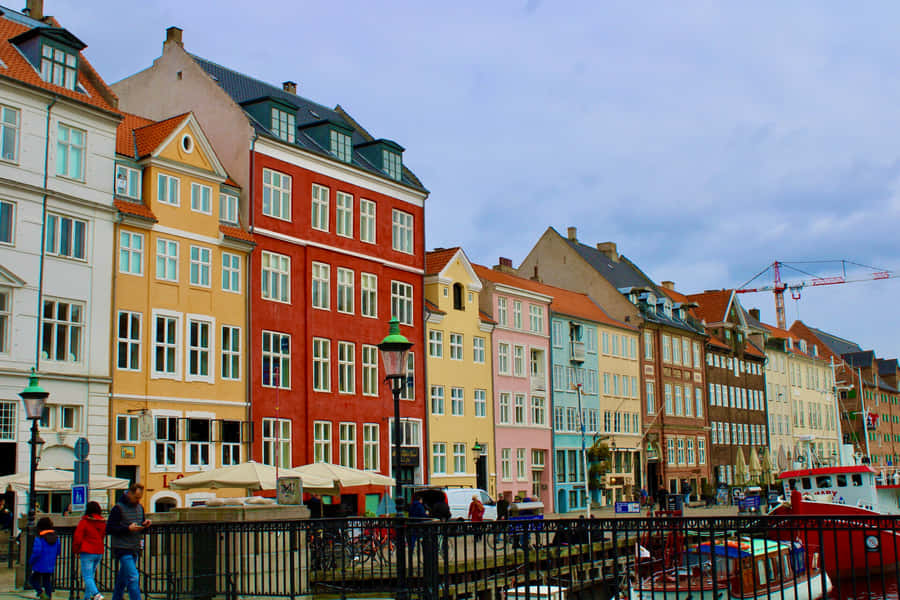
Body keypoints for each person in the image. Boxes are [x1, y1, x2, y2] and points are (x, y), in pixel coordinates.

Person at [106, 483, 150, 600]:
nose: (138, 500)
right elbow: (110, 528)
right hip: (122, 547)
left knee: (123, 577)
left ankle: (116, 598)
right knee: (133, 577)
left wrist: (145, 525)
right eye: (136, 497)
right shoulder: (118, 508)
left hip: (134, 547)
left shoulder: (140, 508)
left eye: (140, 497)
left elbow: (141, 523)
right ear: (129, 494)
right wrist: (127, 528)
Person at [74, 502, 105, 600]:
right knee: (91, 576)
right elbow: (103, 535)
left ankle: (96, 594)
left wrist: (76, 550)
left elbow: (77, 537)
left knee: (87, 576)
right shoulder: (102, 521)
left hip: (87, 550)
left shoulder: (84, 521)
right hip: (99, 550)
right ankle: (87, 597)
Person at [30, 516, 60, 600]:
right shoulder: (56, 538)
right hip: (50, 564)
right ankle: (49, 597)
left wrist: (31, 561)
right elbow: (58, 551)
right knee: (47, 582)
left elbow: (36, 552)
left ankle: (41, 593)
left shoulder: (39, 538)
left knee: (33, 580)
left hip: (39, 564)